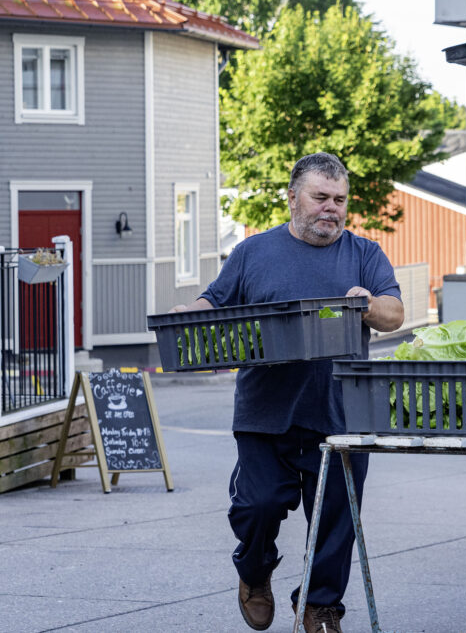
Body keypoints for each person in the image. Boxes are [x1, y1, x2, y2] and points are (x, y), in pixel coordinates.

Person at [170, 152, 404, 632]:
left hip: (340, 414)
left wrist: (368, 304)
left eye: (339, 199)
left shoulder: (364, 254)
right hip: (265, 412)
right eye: (320, 197)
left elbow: (394, 313)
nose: (331, 208)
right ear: (293, 198)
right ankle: (254, 572)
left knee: (337, 519)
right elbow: (214, 301)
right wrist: (188, 314)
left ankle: (319, 606)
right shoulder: (253, 252)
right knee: (257, 507)